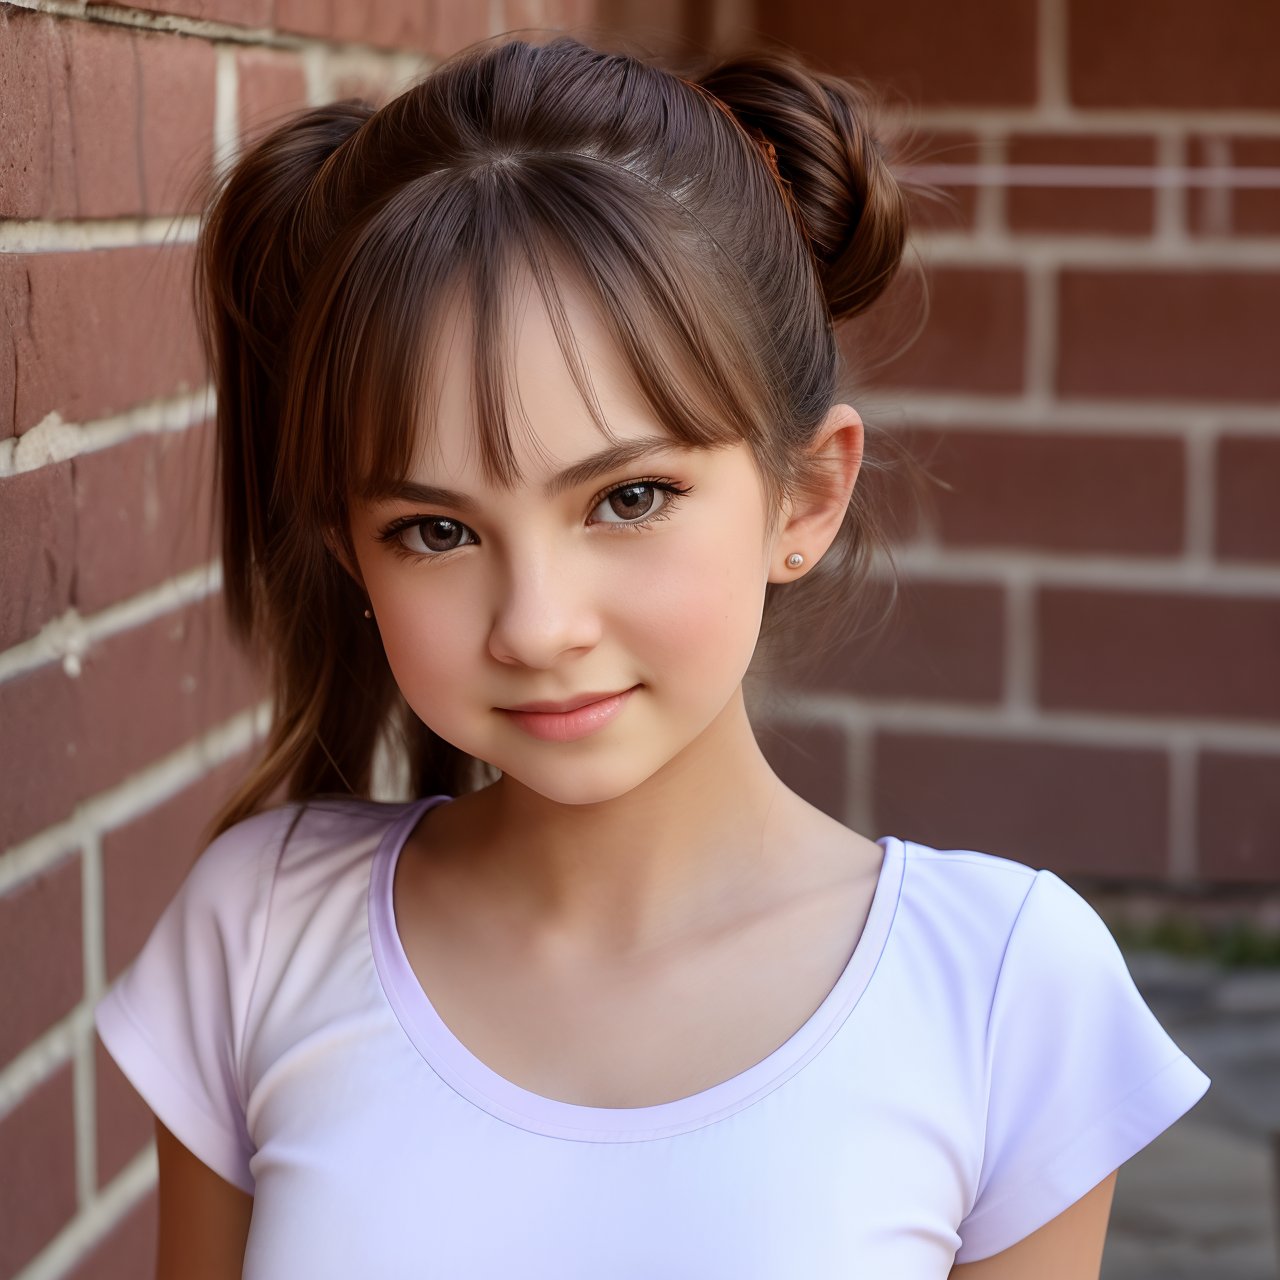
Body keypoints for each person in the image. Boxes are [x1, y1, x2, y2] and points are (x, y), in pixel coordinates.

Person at [94, 31, 1210, 1279]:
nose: (535, 622)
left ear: (803, 494)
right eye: (437, 528)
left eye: (625, 498)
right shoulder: (256, 936)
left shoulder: (1001, 993)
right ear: (350, 549)